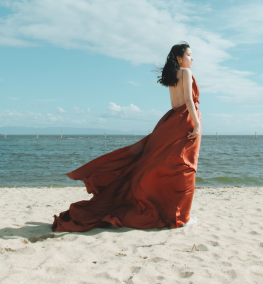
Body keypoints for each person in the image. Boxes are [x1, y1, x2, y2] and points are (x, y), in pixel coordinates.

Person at [52, 42, 202, 231]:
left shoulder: (173, 76)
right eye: (189, 55)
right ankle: (181, 218)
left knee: (172, 168)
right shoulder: (185, 72)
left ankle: (178, 215)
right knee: (184, 169)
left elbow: (174, 104)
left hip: (171, 122)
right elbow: (188, 100)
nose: (192, 58)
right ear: (179, 58)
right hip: (183, 123)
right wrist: (196, 123)